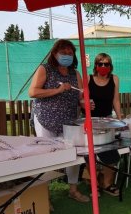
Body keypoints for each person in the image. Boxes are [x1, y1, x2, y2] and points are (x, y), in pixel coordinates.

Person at [29, 39, 89, 203]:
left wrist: (86, 103)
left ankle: (73, 189)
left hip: (69, 122)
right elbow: (32, 92)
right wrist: (58, 90)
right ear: (55, 54)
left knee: (73, 154)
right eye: (63, 53)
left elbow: (80, 98)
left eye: (70, 53)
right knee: (45, 156)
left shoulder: (75, 74)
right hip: (45, 119)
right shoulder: (45, 69)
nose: (67, 56)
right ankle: (45, 196)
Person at [83, 53, 122, 196]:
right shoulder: (88, 79)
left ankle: (107, 183)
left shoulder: (115, 79)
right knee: (90, 155)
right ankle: (94, 185)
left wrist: (119, 119)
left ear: (110, 66)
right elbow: (81, 99)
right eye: (101, 64)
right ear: (96, 66)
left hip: (107, 121)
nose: (103, 67)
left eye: (106, 64)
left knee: (111, 152)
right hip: (90, 122)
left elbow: (116, 100)